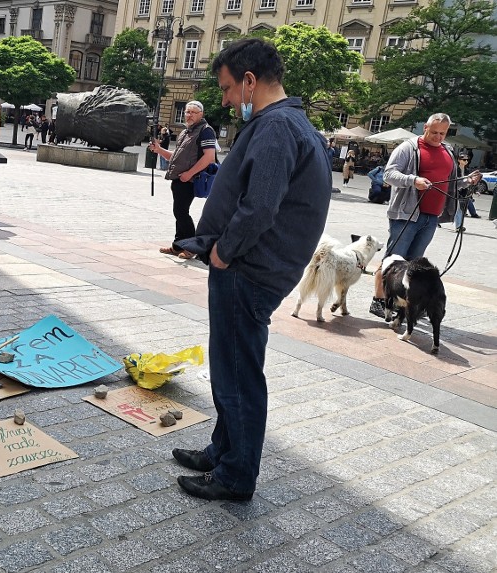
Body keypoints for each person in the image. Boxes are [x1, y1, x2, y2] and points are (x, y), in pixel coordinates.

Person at [172, 38, 331, 501]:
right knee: (233, 366)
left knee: (237, 372)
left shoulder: (277, 127)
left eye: (226, 89)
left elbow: (260, 206)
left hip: (249, 269)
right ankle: (223, 450)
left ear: (249, 81)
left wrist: (223, 252)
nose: (223, 100)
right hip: (255, 266)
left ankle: (236, 475)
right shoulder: (290, 124)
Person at [368, 113, 482, 317]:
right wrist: (414, 180)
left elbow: (451, 181)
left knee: (413, 264)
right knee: (392, 260)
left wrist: (468, 181)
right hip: (406, 214)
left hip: (432, 217)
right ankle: (378, 300)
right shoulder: (408, 147)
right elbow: (389, 174)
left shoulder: (448, 150)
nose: (439, 137)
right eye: (435, 132)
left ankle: (402, 304)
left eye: (443, 133)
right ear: (426, 128)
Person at [148, 101, 218, 259]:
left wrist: (189, 174)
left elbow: (209, 157)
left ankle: (192, 248)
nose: (189, 115)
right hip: (179, 178)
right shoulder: (186, 132)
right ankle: (178, 245)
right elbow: (176, 157)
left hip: (191, 179)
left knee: (181, 212)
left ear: (201, 114)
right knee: (179, 212)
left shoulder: (206, 131)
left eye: (193, 112)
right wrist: (159, 150)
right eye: (187, 112)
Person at [453, 153, 480, 231]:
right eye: (463, 159)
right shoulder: (455, 169)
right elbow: (457, 180)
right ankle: (437, 221)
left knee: (458, 209)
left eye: (467, 160)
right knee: (447, 208)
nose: (466, 161)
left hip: (461, 192)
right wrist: (467, 177)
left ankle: (458, 226)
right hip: (453, 191)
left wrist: (476, 190)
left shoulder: (467, 170)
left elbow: (470, 181)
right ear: (459, 160)